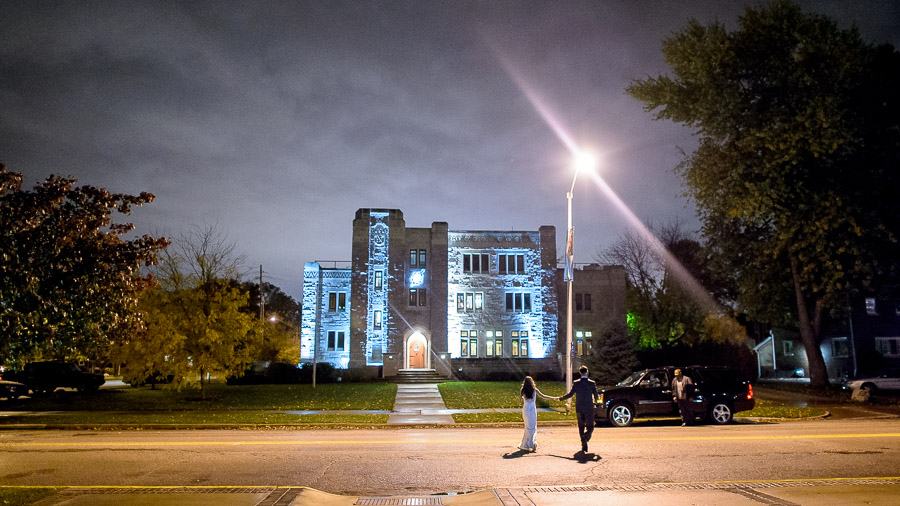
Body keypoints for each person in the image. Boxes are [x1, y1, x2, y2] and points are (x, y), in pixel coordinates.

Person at [558, 365, 599, 453]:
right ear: (587, 372)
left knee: (581, 426)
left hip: (579, 407)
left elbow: (570, 394)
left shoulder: (576, 383)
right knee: (590, 426)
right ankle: (586, 437)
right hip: (589, 407)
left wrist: (560, 398)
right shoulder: (592, 383)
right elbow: (596, 395)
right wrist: (598, 401)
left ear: (580, 373)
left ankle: (583, 442)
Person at [518, 376, 555, 452]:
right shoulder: (534, 390)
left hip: (525, 409)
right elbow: (544, 396)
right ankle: (532, 443)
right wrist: (553, 398)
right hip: (532, 410)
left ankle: (526, 443)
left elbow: (520, 400)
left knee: (527, 427)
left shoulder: (523, 390)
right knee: (532, 427)